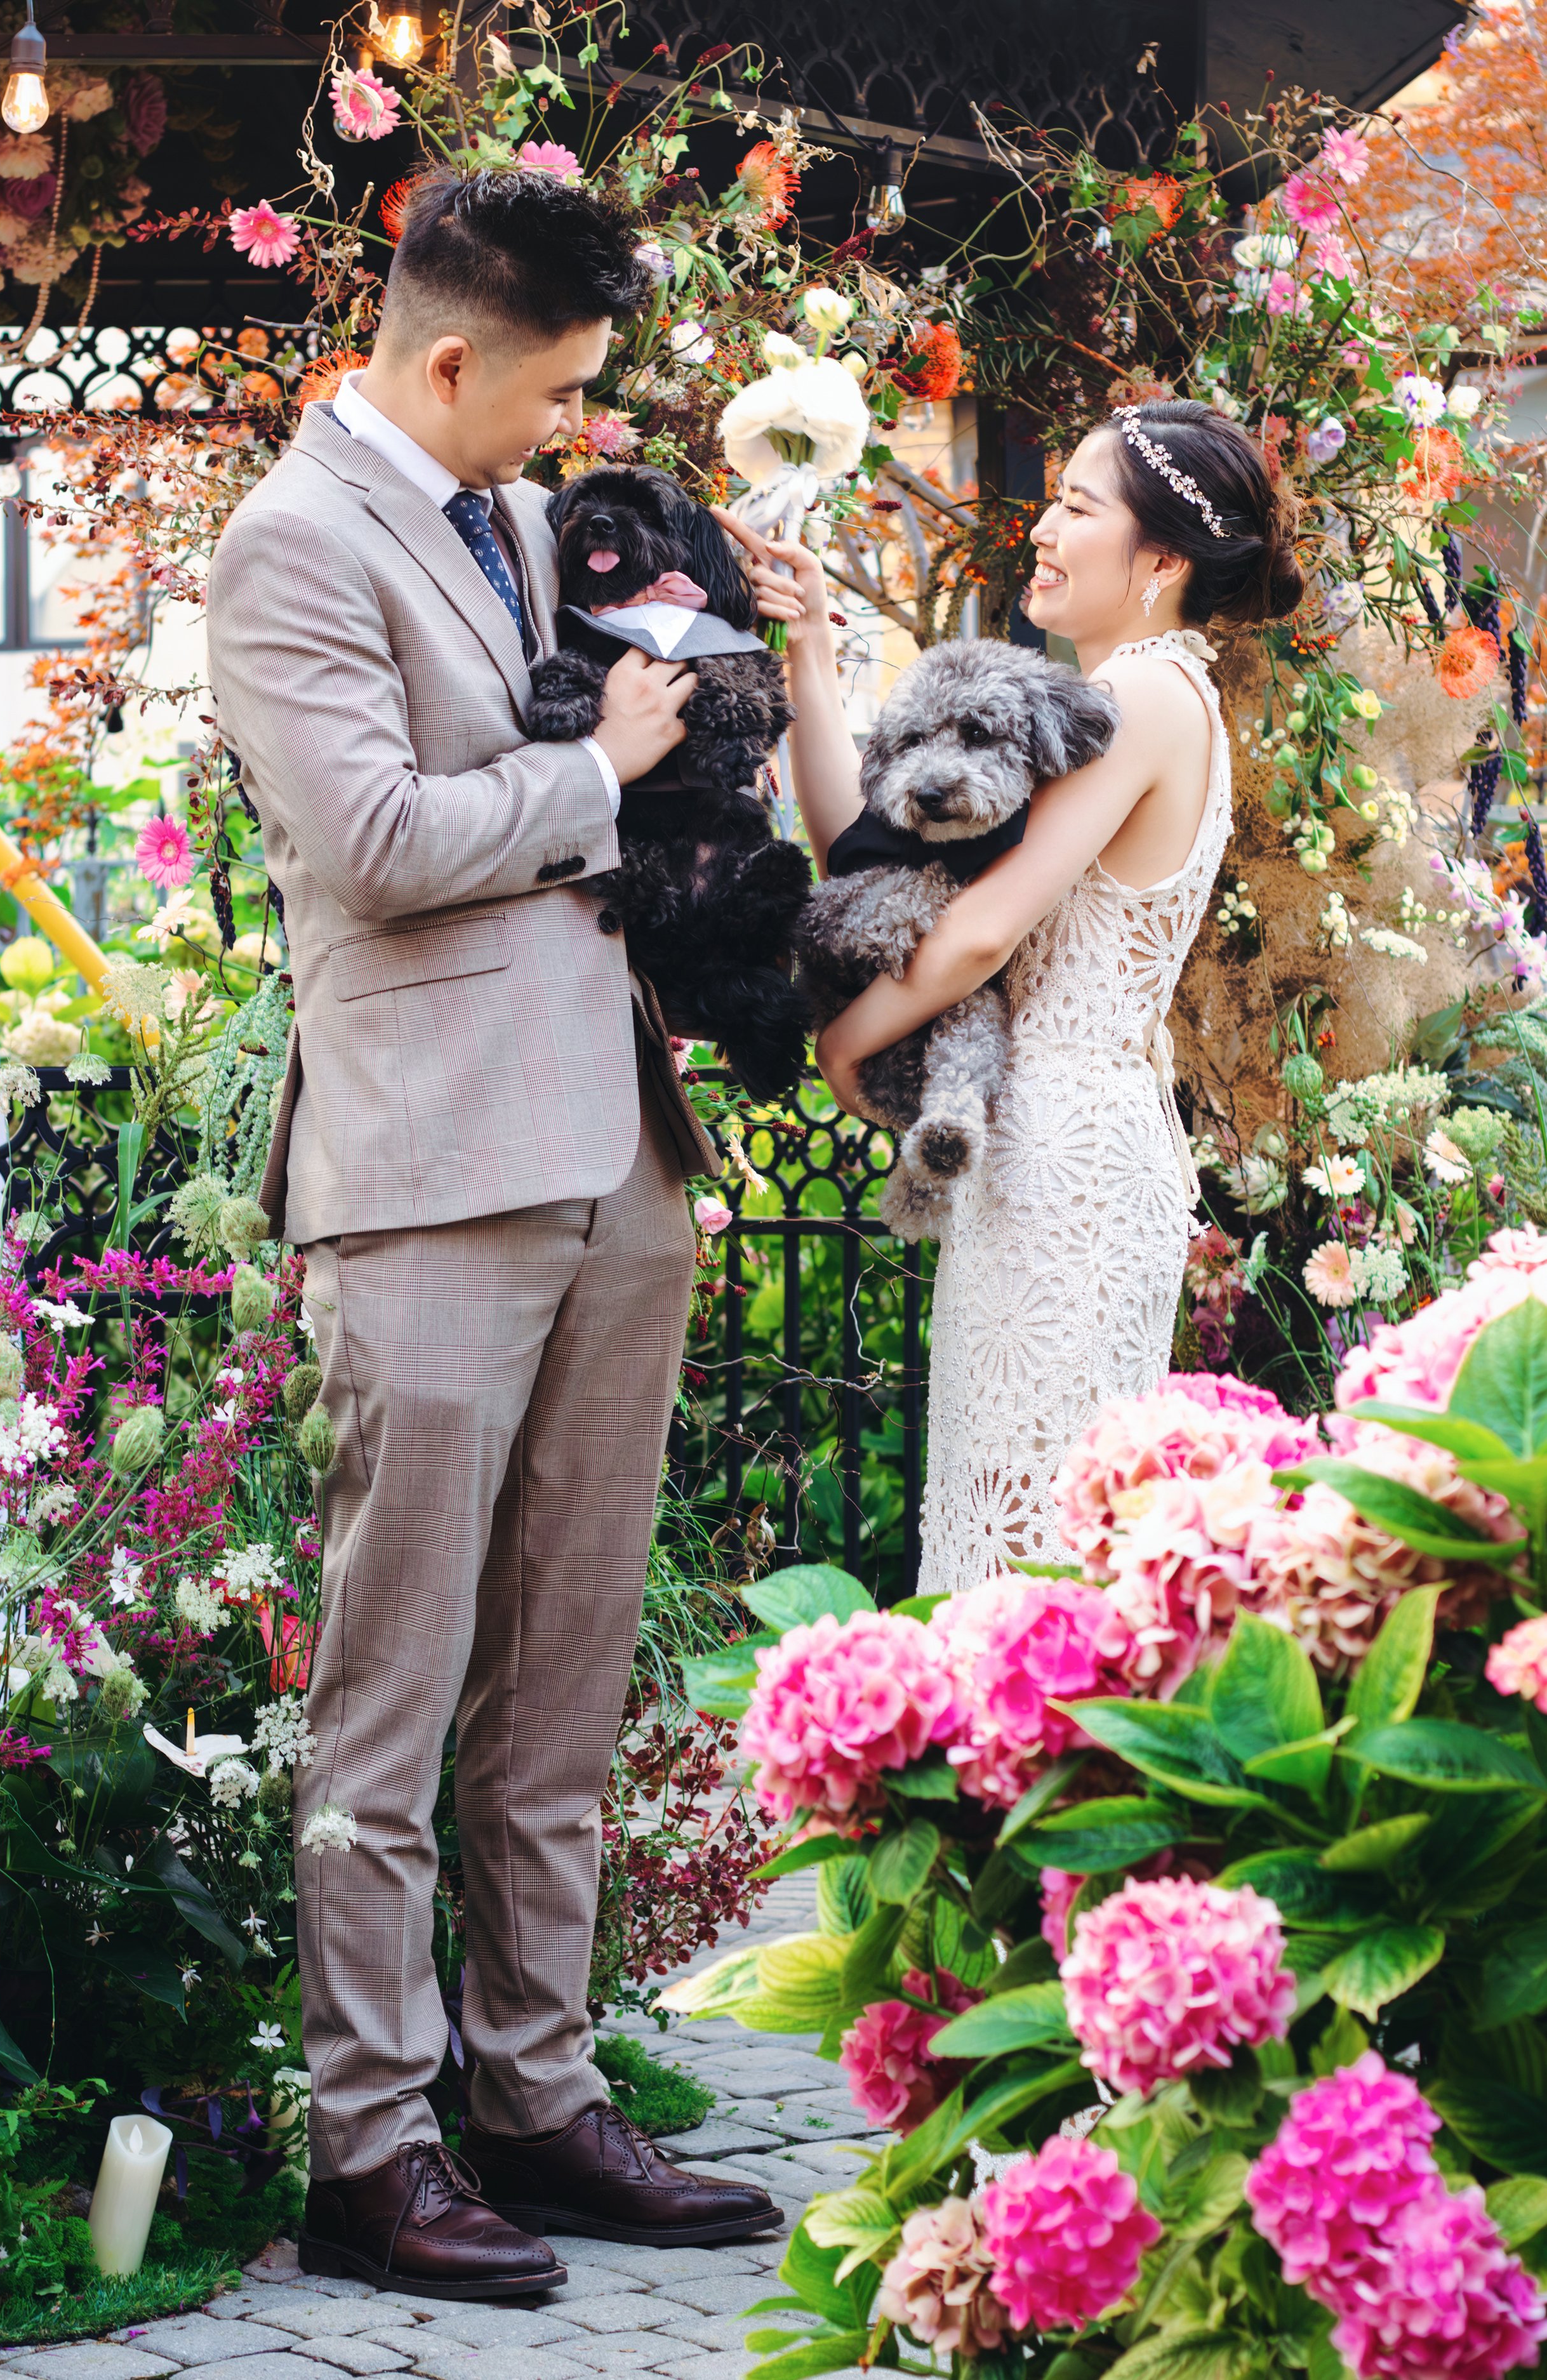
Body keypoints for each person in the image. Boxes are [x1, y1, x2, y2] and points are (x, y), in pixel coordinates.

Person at [207, 166, 789, 2298]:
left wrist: (714, 662)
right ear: (449, 359)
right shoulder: (289, 546)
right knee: (398, 1683)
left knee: (562, 1674)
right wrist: (603, 766)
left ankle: (535, 2100)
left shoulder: (529, 523)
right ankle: (370, 2145)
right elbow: (363, 845)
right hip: (434, 1177)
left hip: (618, 1157)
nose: (566, 434)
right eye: (551, 394)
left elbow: (664, 718)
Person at [739, 399, 1302, 1583]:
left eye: (1078, 508)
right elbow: (870, 849)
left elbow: (983, 934)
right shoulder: (1119, 696)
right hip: (1031, 1148)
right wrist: (805, 641)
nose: (1043, 530)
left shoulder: (1148, 695)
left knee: (1041, 1548)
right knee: (1010, 1517)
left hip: (1072, 1163)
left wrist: (846, 1045)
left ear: (1160, 560)